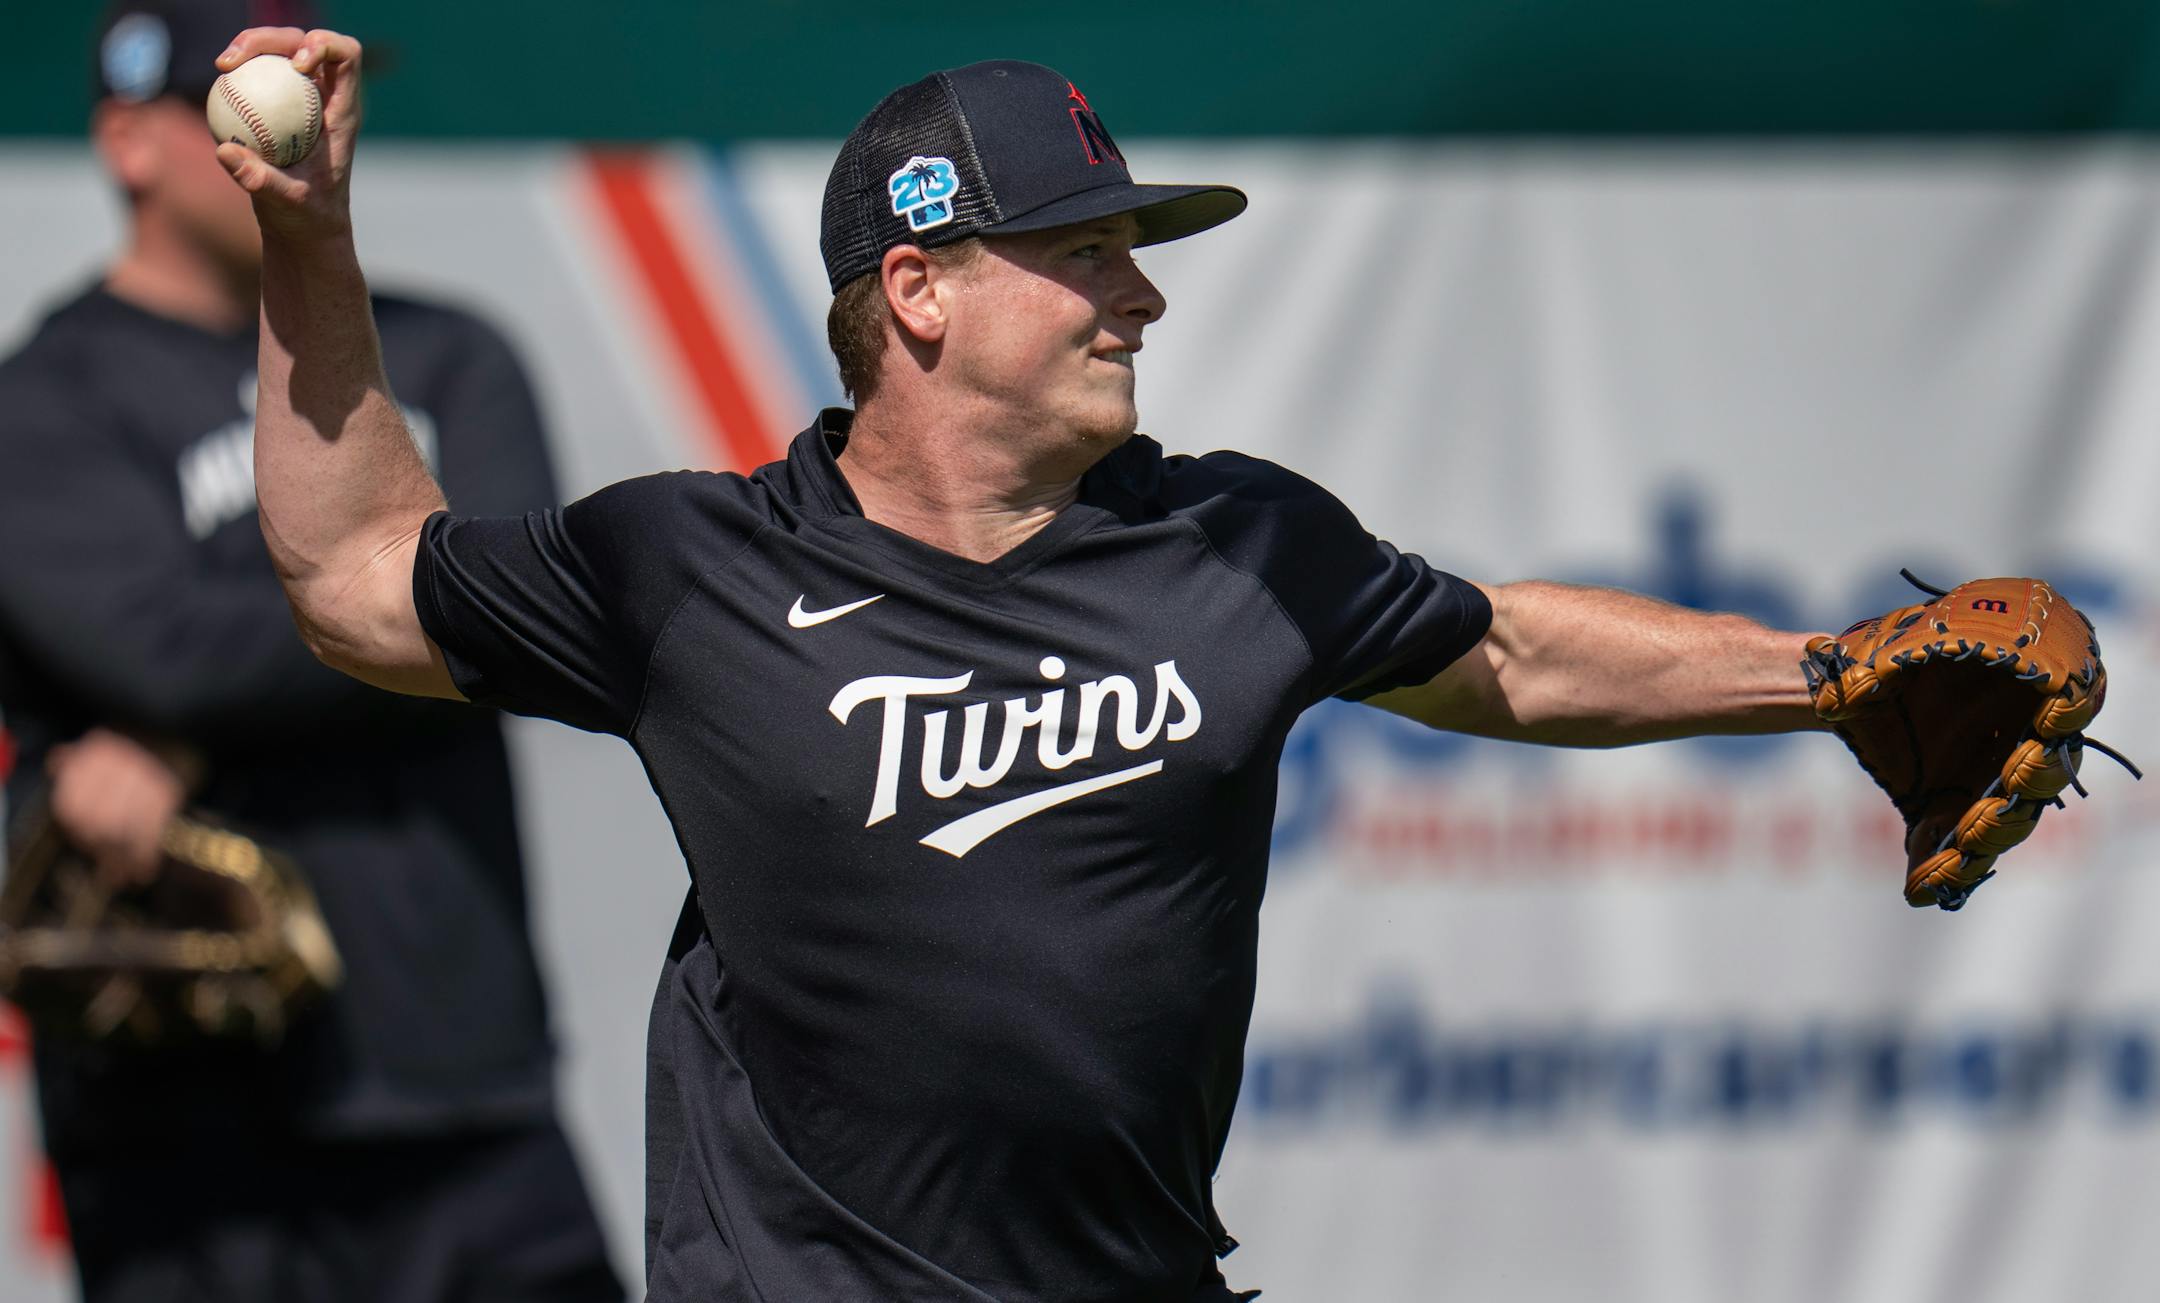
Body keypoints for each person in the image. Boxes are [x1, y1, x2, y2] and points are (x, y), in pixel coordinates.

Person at [216, 26, 1829, 1303]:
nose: (1141, 293)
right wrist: (309, 240)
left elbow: (1520, 659)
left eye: (1129, 247)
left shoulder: (1234, 540)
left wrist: (1836, 676)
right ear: (915, 288)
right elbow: (354, 577)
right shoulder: (692, 567)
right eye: (1083, 252)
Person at [0, 4, 623, 1300]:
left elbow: (510, 620)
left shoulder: (453, 355)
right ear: (130, 140)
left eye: (311, 92)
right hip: (185, 1123)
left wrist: (182, 732)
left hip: (461, 1085)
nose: (298, 131)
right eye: (239, 100)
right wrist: (391, 603)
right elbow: (160, 654)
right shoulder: (45, 399)